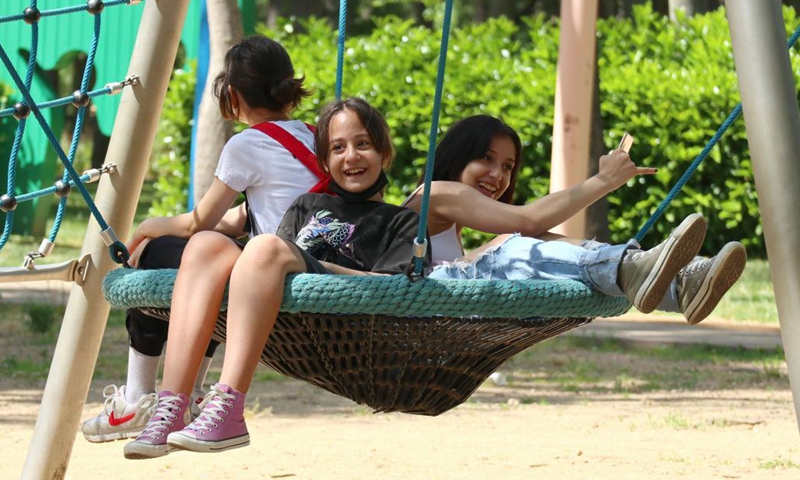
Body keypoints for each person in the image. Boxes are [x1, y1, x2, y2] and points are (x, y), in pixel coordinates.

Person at [122, 97, 427, 459]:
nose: (351, 156)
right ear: (325, 162)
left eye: (363, 144)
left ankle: (228, 406)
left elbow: (390, 289)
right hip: (283, 322)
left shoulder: (401, 221)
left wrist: (304, 263)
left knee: (266, 247)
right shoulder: (305, 206)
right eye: (338, 148)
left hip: (346, 319)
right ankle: (171, 408)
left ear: (384, 154)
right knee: (205, 244)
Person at [82, 35, 325, 443]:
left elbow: (199, 221)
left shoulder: (247, 143)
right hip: (312, 256)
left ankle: (139, 398)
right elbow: (256, 212)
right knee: (210, 256)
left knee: (162, 254)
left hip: (273, 271)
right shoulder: (314, 135)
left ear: (232, 94)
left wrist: (147, 228)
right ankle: (190, 392)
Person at [402, 115, 746, 323]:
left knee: (535, 242)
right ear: (457, 157)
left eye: (507, 167)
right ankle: (632, 267)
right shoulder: (434, 193)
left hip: (443, 313)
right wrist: (604, 181)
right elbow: (527, 221)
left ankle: (674, 283)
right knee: (512, 244)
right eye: (486, 159)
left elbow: (532, 230)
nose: (497, 175)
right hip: (415, 318)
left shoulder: (451, 231)